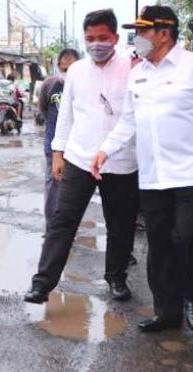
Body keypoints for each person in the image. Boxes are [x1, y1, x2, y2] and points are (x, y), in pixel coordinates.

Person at [24, 9, 139, 304]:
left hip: (121, 160)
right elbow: (66, 116)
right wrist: (58, 154)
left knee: (121, 224)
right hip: (79, 157)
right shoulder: (76, 71)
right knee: (63, 220)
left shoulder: (133, 67)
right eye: (90, 38)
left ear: (115, 37)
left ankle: (116, 279)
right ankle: (42, 284)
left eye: (103, 38)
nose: (96, 44)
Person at [92, 5, 193, 333]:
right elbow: (128, 122)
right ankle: (167, 311)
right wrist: (105, 150)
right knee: (159, 245)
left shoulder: (190, 67)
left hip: (188, 174)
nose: (138, 38)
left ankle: (190, 301)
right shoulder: (139, 74)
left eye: (143, 31)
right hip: (152, 178)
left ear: (164, 34)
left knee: (187, 240)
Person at [39, 48, 80, 231]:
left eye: (71, 69)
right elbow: (44, 110)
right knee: (53, 189)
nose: (67, 74)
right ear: (58, 68)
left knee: (75, 191)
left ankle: (70, 228)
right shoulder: (50, 85)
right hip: (54, 147)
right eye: (64, 69)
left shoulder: (84, 86)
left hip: (79, 148)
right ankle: (52, 229)